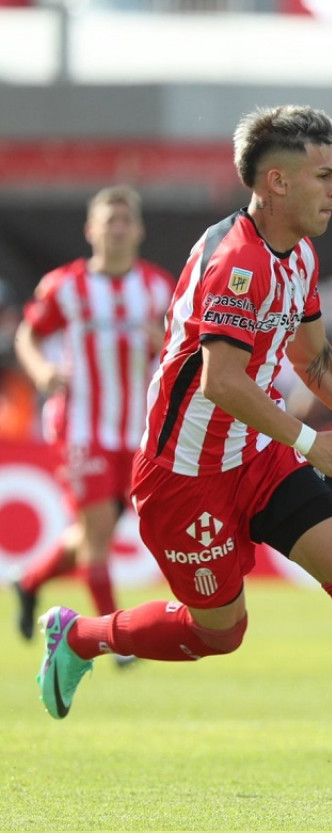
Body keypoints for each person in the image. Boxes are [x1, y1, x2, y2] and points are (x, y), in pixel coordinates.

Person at [32, 105, 332, 785]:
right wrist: (312, 443)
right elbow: (222, 381)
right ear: (276, 182)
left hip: (257, 455)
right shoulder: (237, 263)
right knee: (219, 632)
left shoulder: (297, 254)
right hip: (186, 474)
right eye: (323, 175)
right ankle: (82, 636)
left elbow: (316, 362)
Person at [12, 186, 173, 651]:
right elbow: (28, 334)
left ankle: (27, 583)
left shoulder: (159, 287)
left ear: (138, 230)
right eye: (109, 220)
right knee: (98, 532)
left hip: (138, 431)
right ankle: (113, 639)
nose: (117, 228)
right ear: (91, 229)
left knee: (90, 533)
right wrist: (42, 370)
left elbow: (181, 351)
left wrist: (160, 340)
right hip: (82, 426)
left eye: (125, 220)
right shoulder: (65, 286)